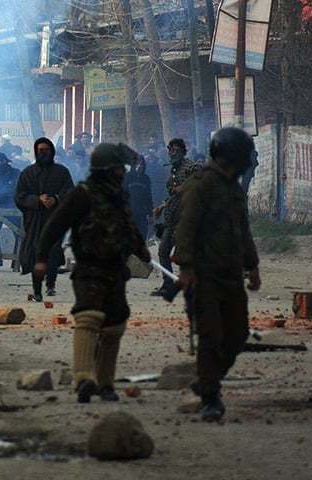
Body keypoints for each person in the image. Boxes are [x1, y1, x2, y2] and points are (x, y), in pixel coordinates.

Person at [35, 143, 149, 403]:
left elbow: (128, 227)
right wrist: (41, 258)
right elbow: (54, 226)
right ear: (108, 169)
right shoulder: (82, 194)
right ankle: (83, 378)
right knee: (89, 316)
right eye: (119, 168)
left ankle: (106, 384)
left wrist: (141, 249)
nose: (123, 172)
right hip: (89, 267)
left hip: (116, 270)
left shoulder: (119, 196)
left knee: (114, 326)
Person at [174, 127, 261, 422]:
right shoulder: (201, 185)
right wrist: (186, 268)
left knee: (237, 334)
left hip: (231, 275)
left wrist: (252, 265)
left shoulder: (233, 188)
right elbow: (185, 228)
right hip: (204, 275)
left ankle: (207, 379)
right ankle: (211, 396)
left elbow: (243, 230)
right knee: (211, 336)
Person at [15, 137, 74, 302]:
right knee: (36, 255)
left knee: (53, 253)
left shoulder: (62, 172)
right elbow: (20, 197)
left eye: (46, 150)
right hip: (35, 221)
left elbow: (70, 192)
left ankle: (51, 284)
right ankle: (37, 290)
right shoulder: (27, 173)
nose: (43, 154)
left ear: (52, 152)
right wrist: (37, 200)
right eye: (40, 150)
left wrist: (55, 199)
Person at [152, 138, 200, 296]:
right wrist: (162, 206)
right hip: (172, 218)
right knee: (163, 250)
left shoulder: (190, 167)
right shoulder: (173, 170)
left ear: (183, 152)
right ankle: (168, 284)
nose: (172, 153)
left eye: (176, 150)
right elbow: (173, 194)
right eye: (170, 150)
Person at [0, 153, 21, 267]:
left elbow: (17, 189)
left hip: (12, 207)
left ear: (4, 161)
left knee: (18, 234)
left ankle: (16, 260)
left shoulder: (16, 173)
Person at [124, 154, 153, 240]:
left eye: (141, 164)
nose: (139, 166)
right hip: (129, 213)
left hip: (142, 214)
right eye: (137, 164)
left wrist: (150, 214)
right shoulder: (127, 177)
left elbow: (148, 197)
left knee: (142, 236)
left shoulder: (146, 179)